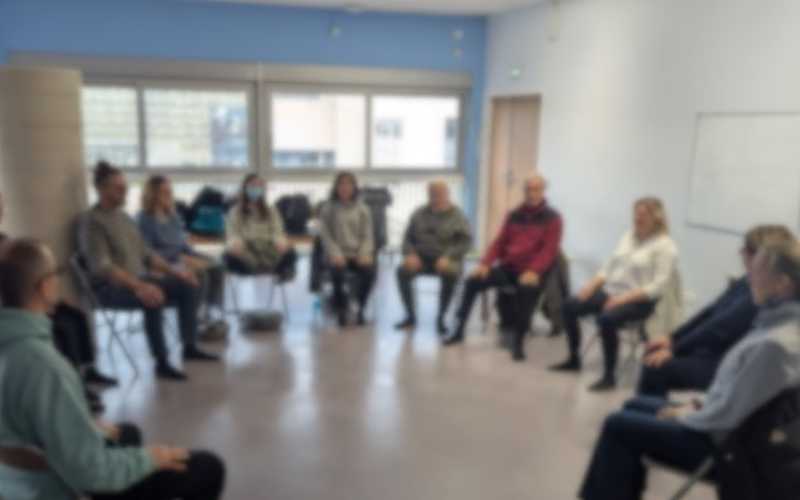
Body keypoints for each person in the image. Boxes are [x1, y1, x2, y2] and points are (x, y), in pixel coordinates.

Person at [0, 238, 225, 500]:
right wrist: (150, 458)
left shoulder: (15, 348)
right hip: (51, 485)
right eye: (57, 273)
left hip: (16, 477)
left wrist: (85, 426)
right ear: (46, 286)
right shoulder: (43, 366)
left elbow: (23, 425)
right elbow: (89, 471)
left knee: (127, 433)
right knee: (207, 467)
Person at [578, 239, 800, 500]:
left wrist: (684, 415)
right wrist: (695, 405)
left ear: (782, 284)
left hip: (726, 448)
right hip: (726, 428)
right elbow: (738, 395)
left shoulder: (777, 344)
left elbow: (728, 416)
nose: (750, 274)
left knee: (617, 425)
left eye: (759, 269)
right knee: (633, 407)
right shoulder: (775, 325)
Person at [82, 162, 218, 381]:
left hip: (140, 279)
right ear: (101, 189)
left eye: (125, 187)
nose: (124, 191)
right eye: (118, 188)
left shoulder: (124, 218)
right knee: (153, 295)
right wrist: (140, 285)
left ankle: (189, 346)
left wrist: (176, 272)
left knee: (190, 283)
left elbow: (147, 254)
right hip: (111, 288)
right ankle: (161, 362)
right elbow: (103, 267)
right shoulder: (92, 222)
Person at [638, 225, 795, 397]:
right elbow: (710, 312)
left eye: (747, 249)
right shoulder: (747, 281)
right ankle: (650, 413)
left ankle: (650, 417)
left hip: (725, 363)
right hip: (716, 352)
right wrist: (672, 338)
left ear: (759, 255)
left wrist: (675, 349)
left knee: (656, 367)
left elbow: (718, 328)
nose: (740, 253)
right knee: (654, 354)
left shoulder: (760, 293)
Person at [550, 197, 679, 391]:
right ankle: (573, 359)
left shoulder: (665, 246)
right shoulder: (628, 236)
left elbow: (658, 287)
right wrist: (591, 285)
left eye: (643, 214)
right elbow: (609, 267)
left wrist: (622, 299)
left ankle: (609, 376)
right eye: (636, 213)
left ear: (657, 217)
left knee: (606, 319)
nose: (637, 217)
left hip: (639, 300)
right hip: (612, 291)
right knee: (570, 305)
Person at [443, 175, 563, 362]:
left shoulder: (553, 218)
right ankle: (458, 330)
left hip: (532, 272)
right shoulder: (513, 215)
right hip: (508, 268)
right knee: (472, 281)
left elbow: (549, 250)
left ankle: (518, 342)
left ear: (543, 191)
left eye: (536, 189)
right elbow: (499, 243)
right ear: (524, 191)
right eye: (528, 189)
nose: (531, 193)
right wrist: (484, 264)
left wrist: (533, 271)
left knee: (526, 293)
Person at [137, 176, 228, 341]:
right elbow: (147, 253)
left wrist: (193, 256)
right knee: (201, 275)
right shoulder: (144, 219)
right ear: (152, 195)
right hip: (164, 264)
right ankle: (194, 319)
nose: (168, 195)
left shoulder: (173, 215)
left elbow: (183, 244)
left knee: (217, 265)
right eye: (163, 192)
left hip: (182, 256)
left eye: (169, 192)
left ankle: (211, 311)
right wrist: (181, 259)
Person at [395, 181, 472, 334]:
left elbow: (465, 242)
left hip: (446, 259)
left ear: (447, 194)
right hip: (421, 259)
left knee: (450, 273)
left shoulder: (458, 216)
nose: (435, 197)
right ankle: (410, 316)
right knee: (402, 271)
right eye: (432, 194)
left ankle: (441, 318)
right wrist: (410, 254)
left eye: (439, 193)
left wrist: (448, 257)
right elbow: (407, 238)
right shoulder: (418, 213)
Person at [319, 172, 376, 327]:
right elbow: (325, 235)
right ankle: (341, 309)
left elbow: (367, 235)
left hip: (357, 254)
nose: (345, 187)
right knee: (337, 273)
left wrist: (364, 253)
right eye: (341, 184)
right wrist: (335, 254)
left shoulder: (363, 209)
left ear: (354, 187)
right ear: (336, 187)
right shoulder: (328, 208)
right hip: (336, 253)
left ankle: (360, 308)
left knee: (369, 272)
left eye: (348, 184)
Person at [224, 174, 297, 281]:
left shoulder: (271, 210)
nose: (256, 189)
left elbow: (278, 230)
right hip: (246, 250)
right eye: (253, 186)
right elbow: (232, 233)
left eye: (259, 186)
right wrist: (235, 242)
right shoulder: (235, 212)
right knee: (227, 256)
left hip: (268, 250)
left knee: (290, 252)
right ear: (245, 188)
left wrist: (280, 241)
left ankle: (280, 273)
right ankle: (251, 271)